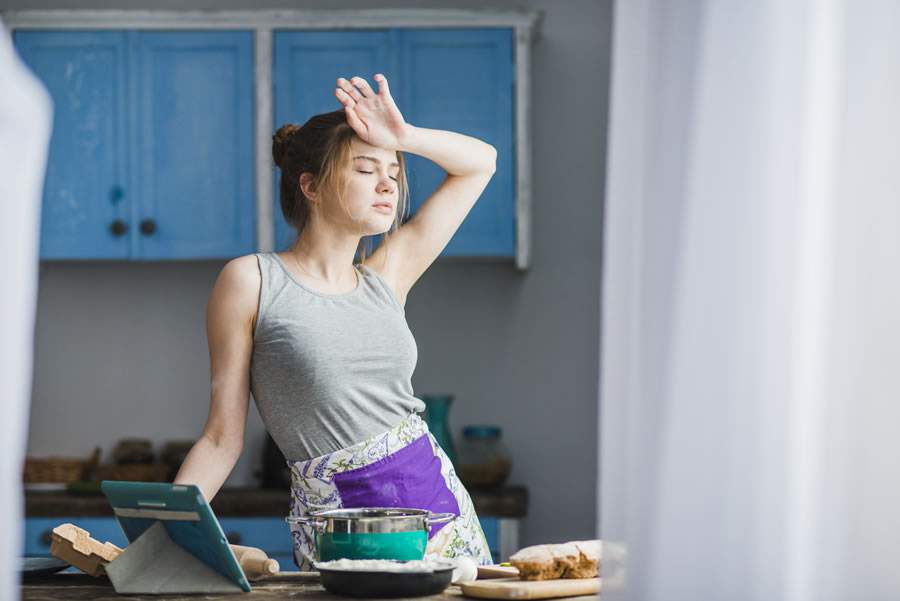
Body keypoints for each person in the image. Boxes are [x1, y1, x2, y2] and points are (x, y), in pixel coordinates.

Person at [173, 73, 498, 570]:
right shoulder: (251, 282)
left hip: (438, 512)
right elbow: (221, 438)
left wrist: (403, 137)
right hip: (337, 527)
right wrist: (169, 529)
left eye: (393, 170)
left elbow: (481, 163)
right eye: (366, 169)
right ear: (311, 186)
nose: (388, 182)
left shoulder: (385, 277)